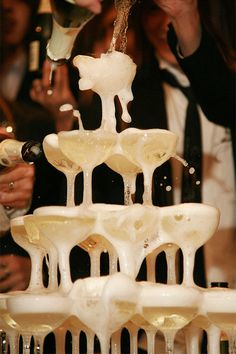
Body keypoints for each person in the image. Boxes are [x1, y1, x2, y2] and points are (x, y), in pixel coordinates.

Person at [154, 0, 236, 173]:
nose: (165, 24)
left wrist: (185, 16)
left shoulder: (222, 81)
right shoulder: (134, 88)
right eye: (154, 10)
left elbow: (222, 104)